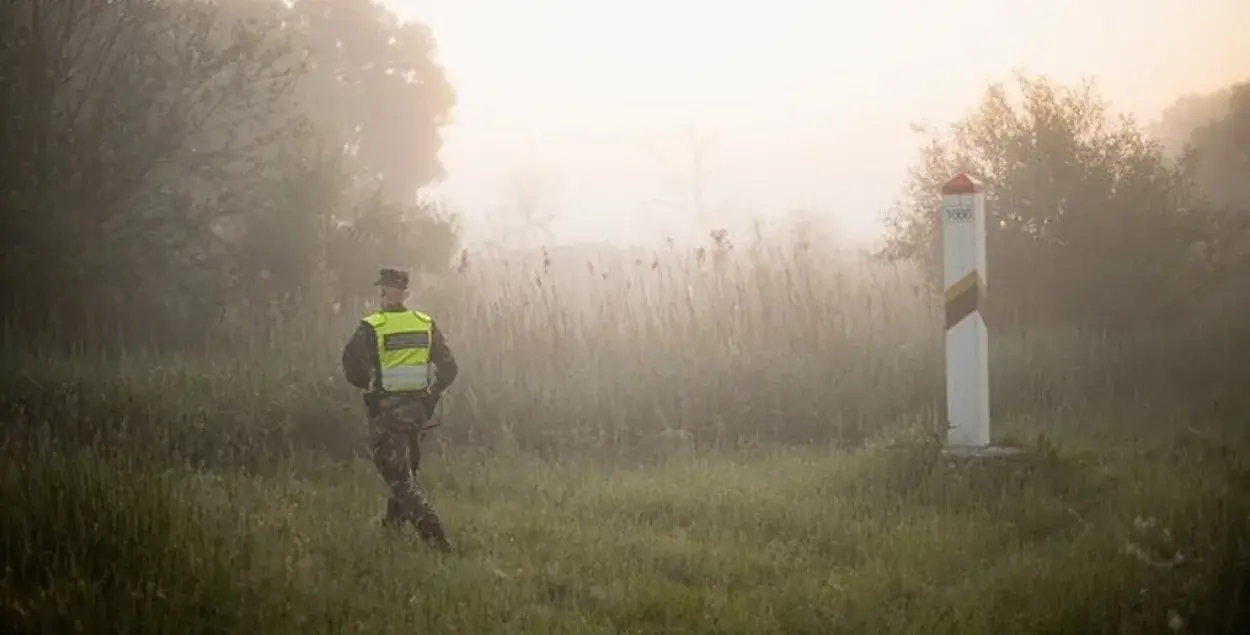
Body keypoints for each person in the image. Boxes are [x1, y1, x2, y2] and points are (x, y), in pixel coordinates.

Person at [340, 267, 459, 551]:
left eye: (383, 289)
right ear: (405, 293)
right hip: (418, 411)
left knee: (398, 477)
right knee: (404, 470)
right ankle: (391, 531)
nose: (382, 294)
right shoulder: (424, 323)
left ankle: (437, 541)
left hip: (387, 412)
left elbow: (350, 365)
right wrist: (431, 396)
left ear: (384, 292)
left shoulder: (372, 326)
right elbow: (449, 368)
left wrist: (366, 383)